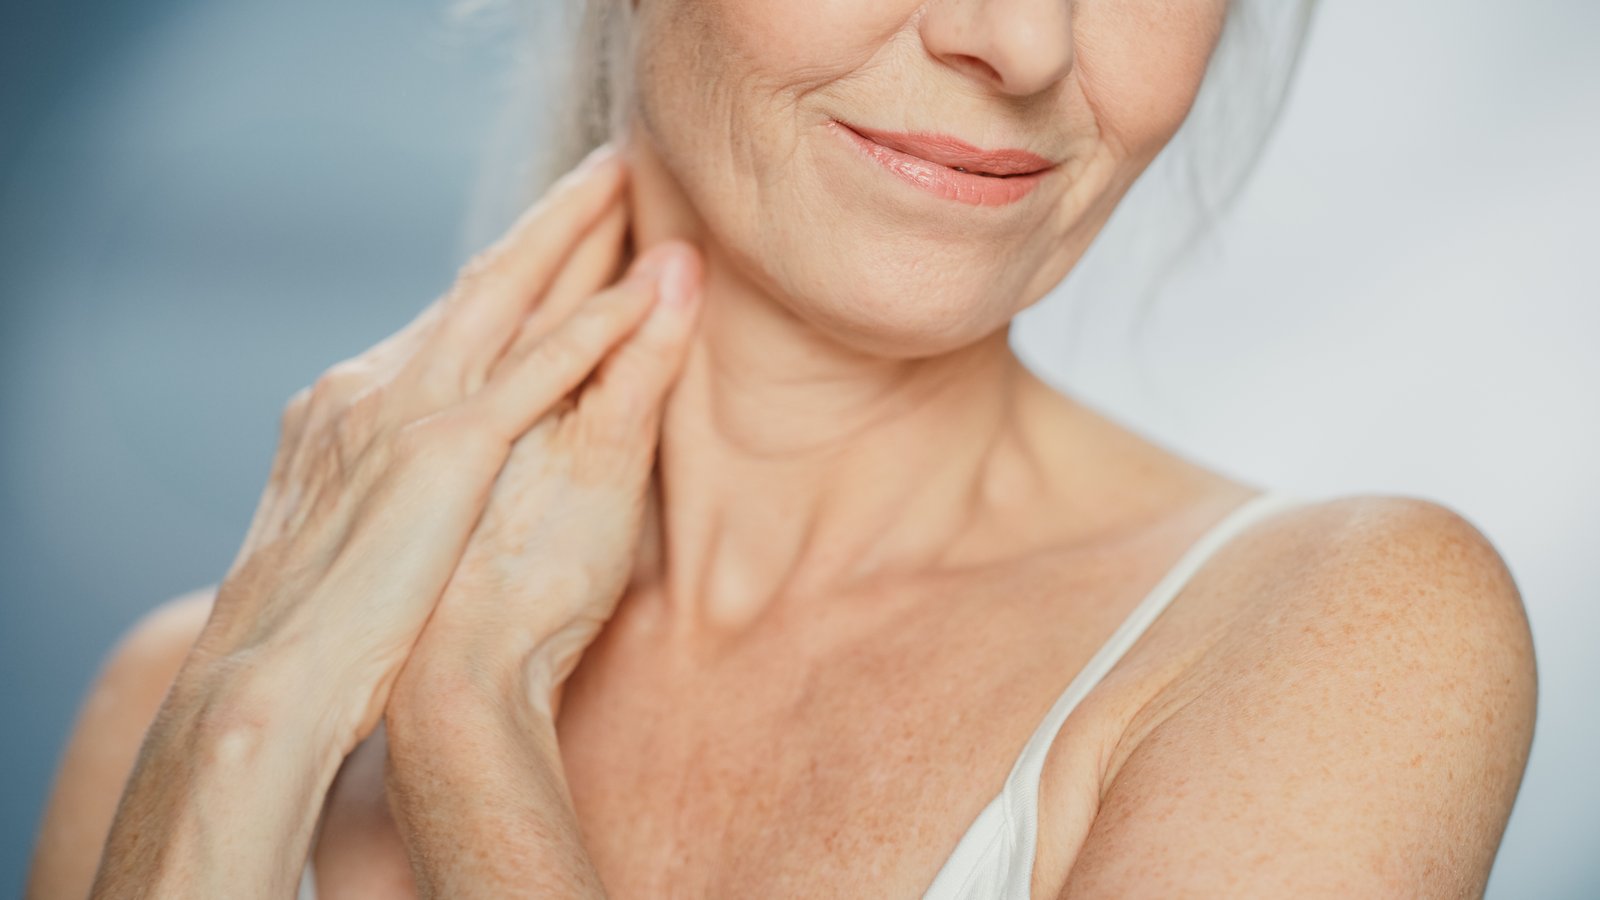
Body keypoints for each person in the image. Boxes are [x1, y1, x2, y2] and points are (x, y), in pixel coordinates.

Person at [28, 1, 1537, 897]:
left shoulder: (1340, 636)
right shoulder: (199, 696)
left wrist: (469, 722)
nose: (1016, 41)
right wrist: (246, 734)